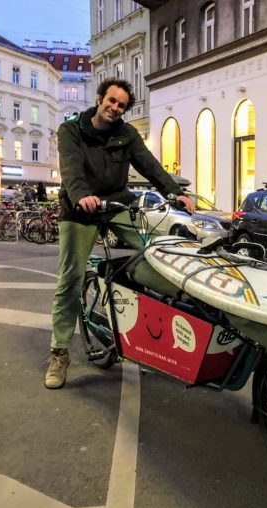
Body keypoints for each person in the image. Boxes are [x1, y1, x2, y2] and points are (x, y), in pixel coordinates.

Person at [45, 77, 194, 390]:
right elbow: (71, 168)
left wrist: (173, 192)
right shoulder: (71, 130)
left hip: (115, 205)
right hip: (79, 208)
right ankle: (59, 353)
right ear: (100, 99)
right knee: (69, 279)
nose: (115, 108)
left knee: (152, 252)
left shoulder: (127, 135)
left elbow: (149, 164)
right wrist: (80, 195)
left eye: (121, 105)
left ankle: (137, 328)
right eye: (111, 101)